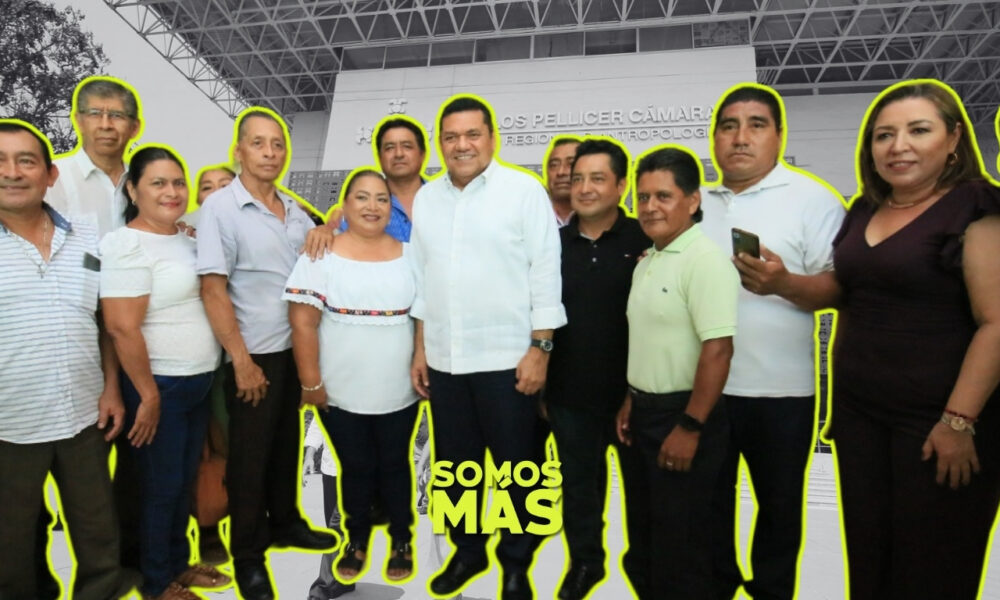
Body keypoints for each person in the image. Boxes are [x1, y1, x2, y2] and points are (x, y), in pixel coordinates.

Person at [825, 80, 1000, 599]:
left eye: (918, 130)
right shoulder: (864, 208)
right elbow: (852, 298)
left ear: (954, 140)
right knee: (870, 562)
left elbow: (996, 323)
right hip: (861, 418)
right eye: (884, 135)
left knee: (931, 569)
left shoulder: (976, 206)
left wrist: (958, 422)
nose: (898, 146)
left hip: (938, 423)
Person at [410, 95, 566, 600]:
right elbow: (422, 279)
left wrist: (541, 348)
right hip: (446, 359)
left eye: (472, 134)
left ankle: (516, 562)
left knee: (519, 470)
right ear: (440, 144)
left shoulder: (523, 191)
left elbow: (546, 273)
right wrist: (421, 349)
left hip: (509, 359)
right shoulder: (428, 199)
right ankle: (468, 551)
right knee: (456, 470)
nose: (462, 145)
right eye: (451, 137)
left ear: (492, 138)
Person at [700, 84, 845, 600]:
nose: (740, 137)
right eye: (729, 126)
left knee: (779, 515)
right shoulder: (698, 205)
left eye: (756, 125)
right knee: (706, 513)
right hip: (705, 391)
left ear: (779, 135)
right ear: (715, 138)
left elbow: (840, 286)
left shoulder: (813, 200)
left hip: (783, 394)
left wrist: (784, 284)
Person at [197, 108, 336, 600]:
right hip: (252, 351)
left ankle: (286, 522)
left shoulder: (292, 208)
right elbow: (213, 288)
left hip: (293, 348)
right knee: (249, 459)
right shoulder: (221, 208)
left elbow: (322, 246)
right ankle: (248, 556)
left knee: (285, 446)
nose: (270, 152)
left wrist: (326, 226)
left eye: (277, 144)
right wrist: (241, 360)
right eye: (258, 143)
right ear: (239, 151)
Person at [0, 120, 136, 600]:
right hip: (10, 424)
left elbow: (103, 318)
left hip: (84, 414)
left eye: (26, 161)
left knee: (98, 530)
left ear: (50, 174)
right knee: (10, 542)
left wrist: (112, 387)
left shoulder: (86, 237)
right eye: (1, 161)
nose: (12, 172)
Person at [100, 145, 230, 600]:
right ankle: (157, 582)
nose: (171, 191)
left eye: (177, 182)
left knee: (181, 483)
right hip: (159, 385)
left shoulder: (186, 238)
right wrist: (148, 394)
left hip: (198, 380)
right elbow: (120, 326)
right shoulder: (125, 244)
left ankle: (178, 564)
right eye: (158, 183)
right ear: (133, 191)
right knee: (160, 487)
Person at [286, 168, 421, 586]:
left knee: (395, 464)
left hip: (399, 387)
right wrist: (311, 383)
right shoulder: (320, 254)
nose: (372, 206)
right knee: (356, 465)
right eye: (362, 197)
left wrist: (421, 359)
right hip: (339, 388)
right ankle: (356, 538)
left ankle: (402, 538)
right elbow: (303, 323)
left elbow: (424, 317)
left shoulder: (412, 254)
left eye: (381, 199)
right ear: (344, 206)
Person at [616, 145, 739, 599]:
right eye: (643, 197)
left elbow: (718, 351)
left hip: (685, 417)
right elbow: (651, 340)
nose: (650, 207)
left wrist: (690, 426)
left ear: (692, 200)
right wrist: (631, 398)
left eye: (663, 196)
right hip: (644, 415)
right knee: (645, 544)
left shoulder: (704, 261)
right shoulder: (649, 260)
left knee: (683, 549)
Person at [41, 75, 147, 587]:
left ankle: (131, 569)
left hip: (136, 340)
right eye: (95, 113)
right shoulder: (53, 179)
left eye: (117, 115)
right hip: (70, 340)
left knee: (136, 468)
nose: (106, 124)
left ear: (134, 126)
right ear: (78, 119)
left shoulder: (142, 181)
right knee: (69, 474)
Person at [544, 137, 648, 600]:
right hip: (569, 396)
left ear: (621, 185)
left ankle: (645, 567)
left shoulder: (645, 240)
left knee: (644, 493)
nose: (584, 187)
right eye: (578, 178)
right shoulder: (552, 245)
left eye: (597, 178)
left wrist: (637, 393)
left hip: (635, 398)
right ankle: (585, 563)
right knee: (580, 491)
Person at [544, 136, 581, 227]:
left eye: (571, 164)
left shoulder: (604, 220)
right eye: (554, 165)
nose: (561, 172)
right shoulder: (530, 216)